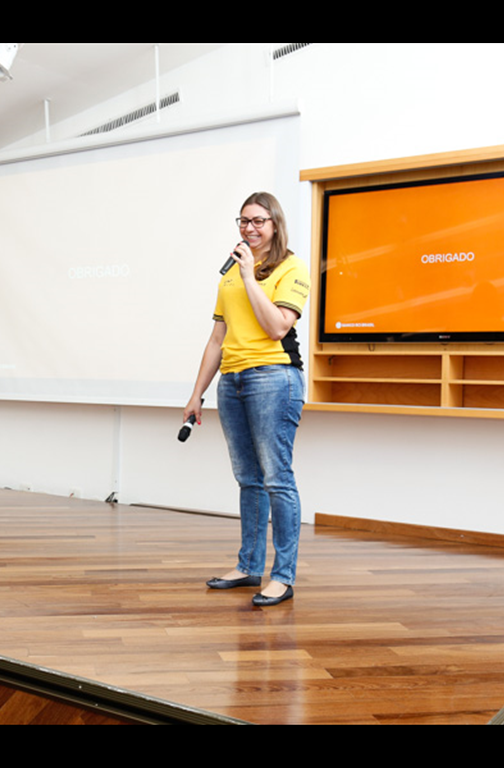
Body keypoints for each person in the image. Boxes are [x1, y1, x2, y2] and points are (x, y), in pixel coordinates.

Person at [183, 192, 310, 607]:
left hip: (274, 378)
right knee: (248, 479)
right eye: (243, 221)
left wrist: (251, 277)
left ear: (275, 224)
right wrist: (197, 394)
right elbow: (217, 339)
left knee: (277, 478)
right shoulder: (229, 276)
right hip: (233, 381)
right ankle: (249, 566)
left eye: (258, 221)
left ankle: (282, 577)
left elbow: (277, 327)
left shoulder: (291, 268)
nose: (249, 228)